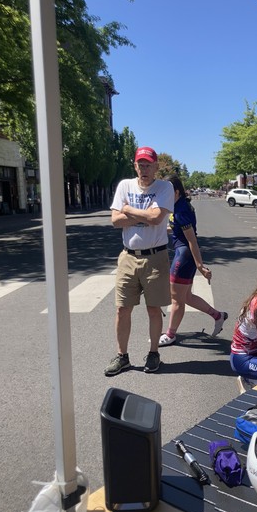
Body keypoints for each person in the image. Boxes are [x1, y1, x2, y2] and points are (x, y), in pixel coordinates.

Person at [105, 146, 176, 376]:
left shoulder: (164, 187)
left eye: (148, 164)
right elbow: (115, 221)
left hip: (155, 257)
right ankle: (122, 356)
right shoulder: (125, 185)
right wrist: (140, 215)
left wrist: (127, 209)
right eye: (140, 164)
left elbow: (156, 218)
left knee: (154, 310)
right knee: (122, 310)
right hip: (128, 257)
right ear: (135, 166)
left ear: (156, 167)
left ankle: (154, 353)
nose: (144, 169)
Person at [158, 177, 228, 346]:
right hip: (182, 254)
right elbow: (175, 228)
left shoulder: (182, 210)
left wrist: (200, 266)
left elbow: (192, 240)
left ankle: (170, 334)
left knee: (177, 299)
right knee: (186, 296)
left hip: (184, 256)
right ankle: (218, 316)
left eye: (167, 193)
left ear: (176, 192)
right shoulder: (178, 205)